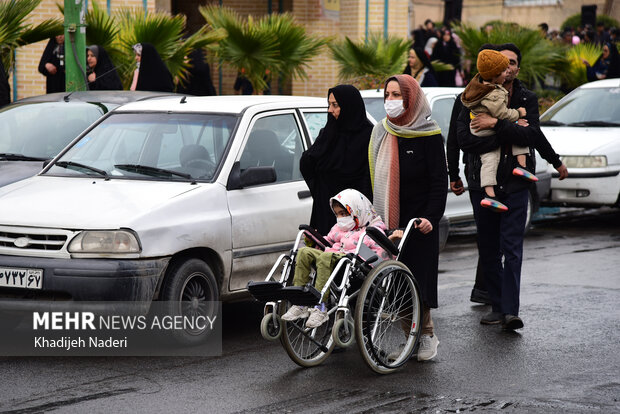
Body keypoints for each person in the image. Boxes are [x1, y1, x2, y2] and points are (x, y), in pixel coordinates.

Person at [456, 43, 568, 330]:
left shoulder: (526, 97)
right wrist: (506, 133)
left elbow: (532, 134)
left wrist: (495, 123)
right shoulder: (469, 96)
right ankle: (496, 305)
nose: (507, 67)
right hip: (485, 183)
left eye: (512, 63)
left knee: (512, 248)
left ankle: (510, 311)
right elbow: (464, 140)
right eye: (502, 62)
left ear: (518, 68)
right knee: (490, 248)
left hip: (516, 183)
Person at [368, 74, 447, 361]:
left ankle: (426, 335)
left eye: (396, 95)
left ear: (410, 98)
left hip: (419, 223)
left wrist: (430, 217)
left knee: (417, 282)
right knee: (397, 283)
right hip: (389, 220)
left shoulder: (429, 134)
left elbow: (439, 183)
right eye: (387, 95)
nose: (390, 101)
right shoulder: (381, 132)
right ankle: (409, 338)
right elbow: (373, 178)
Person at [281, 188, 394, 328]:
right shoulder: (338, 228)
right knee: (304, 252)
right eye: (337, 214)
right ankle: (300, 302)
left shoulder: (372, 230)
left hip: (354, 261)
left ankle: (320, 307)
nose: (340, 218)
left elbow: (379, 253)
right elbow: (327, 242)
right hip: (332, 255)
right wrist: (313, 239)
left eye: (344, 213)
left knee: (326, 256)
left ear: (357, 210)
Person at [460, 49, 534, 212]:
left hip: (478, 130)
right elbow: (502, 113)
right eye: (503, 70)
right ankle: (522, 166)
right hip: (485, 129)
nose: (506, 72)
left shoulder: (477, 87)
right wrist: (518, 113)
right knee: (517, 129)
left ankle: (489, 195)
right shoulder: (494, 92)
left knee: (489, 161)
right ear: (494, 76)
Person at [300, 84, 373, 235]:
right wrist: (326, 139)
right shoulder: (328, 133)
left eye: (335, 105)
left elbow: (368, 180)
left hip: (352, 220)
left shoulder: (368, 136)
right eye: (329, 105)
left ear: (348, 106)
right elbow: (308, 163)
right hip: (324, 213)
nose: (329, 110)